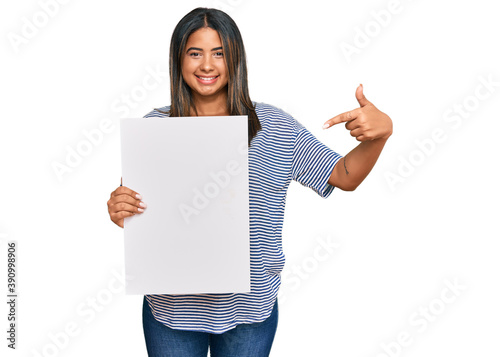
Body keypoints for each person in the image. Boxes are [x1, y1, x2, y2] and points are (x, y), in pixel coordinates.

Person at [106, 7, 392, 357]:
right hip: (172, 311)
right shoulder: (152, 127)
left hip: (250, 311)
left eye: (219, 53)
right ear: (178, 60)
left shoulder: (274, 126)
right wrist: (120, 210)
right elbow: (136, 211)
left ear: (236, 59)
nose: (207, 65)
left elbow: (342, 176)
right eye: (195, 53)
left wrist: (377, 137)